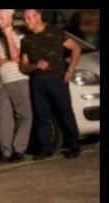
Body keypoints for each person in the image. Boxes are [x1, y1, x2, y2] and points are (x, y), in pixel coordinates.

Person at [20, 9, 82, 160]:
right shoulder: (26, 40)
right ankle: (45, 149)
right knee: (42, 117)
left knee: (65, 113)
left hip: (57, 80)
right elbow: (23, 67)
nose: (26, 21)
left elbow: (76, 48)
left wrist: (71, 70)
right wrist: (35, 66)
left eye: (29, 18)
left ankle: (74, 146)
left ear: (38, 16)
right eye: (25, 18)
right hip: (37, 83)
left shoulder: (55, 32)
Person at [0, 9, 33, 164]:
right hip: (4, 82)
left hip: (18, 80)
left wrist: (9, 35)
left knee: (24, 116)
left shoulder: (19, 36)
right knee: (6, 119)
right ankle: (6, 152)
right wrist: (6, 59)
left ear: (11, 18)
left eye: (2, 18)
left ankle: (18, 150)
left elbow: (16, 56)